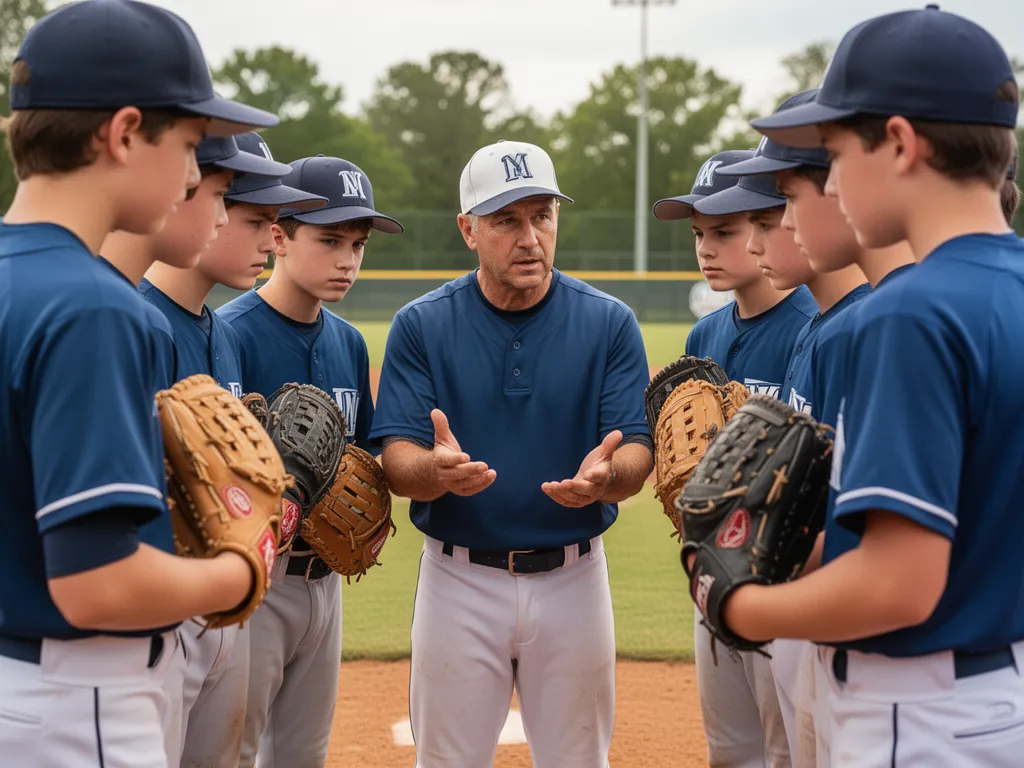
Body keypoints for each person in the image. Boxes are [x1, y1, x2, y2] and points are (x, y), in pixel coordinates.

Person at [720, 7, 1024, 766]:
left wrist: (743, 605)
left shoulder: (909, 311)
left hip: (920, 713)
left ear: (898, 143)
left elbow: (899, 585)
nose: (832, 177)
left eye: (834, 149)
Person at [0, 1, 278, 766]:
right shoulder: (93, 305)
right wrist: (238, 568)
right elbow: (96, 583)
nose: (195, 172)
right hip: (77, 699)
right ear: (124, 134)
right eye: (189, 143)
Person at [370, 139, 653, 767]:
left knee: (579, 760)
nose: (530, 237)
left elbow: (635, 448)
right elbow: (397, 460)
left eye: (542, 216)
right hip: (458, 579)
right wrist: (434, 473)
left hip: (575, 578)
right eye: (506, 220)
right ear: (468, 229)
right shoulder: (422, 324)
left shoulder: (608, 323)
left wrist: (609, 479)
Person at [219, 154, 399, 768]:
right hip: (257, 584)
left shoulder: (348, 340)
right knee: (232, 751)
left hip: (327, 580)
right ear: (279, 235)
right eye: (329, 239)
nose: (348, 258)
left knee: (303, 755)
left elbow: (369, 454)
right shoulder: (231, 333)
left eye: (357, 243)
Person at [654, 148, 815, 768]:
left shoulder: (809, 322)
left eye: (724, 230)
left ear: (771, 223)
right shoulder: (706, 337)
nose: (706, 248)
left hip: (786, 578)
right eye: (699, 234)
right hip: (716, 568)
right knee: (730, 752)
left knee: (788, 751)